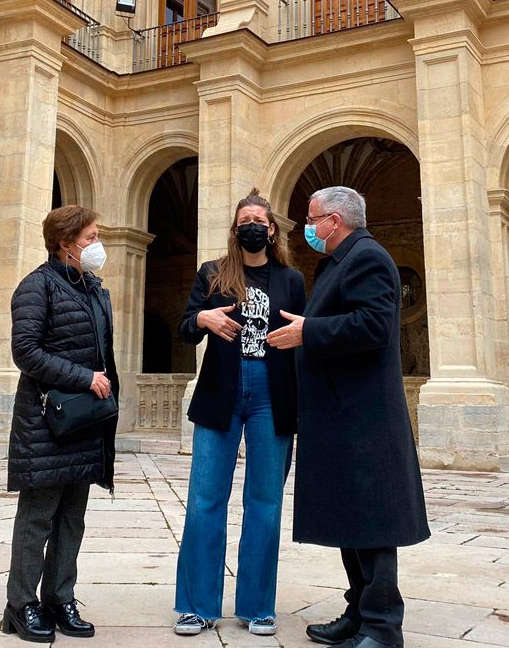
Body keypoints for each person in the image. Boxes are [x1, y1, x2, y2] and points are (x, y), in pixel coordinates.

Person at [267, 186, 430, 648]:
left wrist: (307, 331)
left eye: (313, 218)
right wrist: (308, 330)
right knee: (349, 518)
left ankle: (382, 627)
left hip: (364, 417)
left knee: (374, 522)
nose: (309, 227)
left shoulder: (369, 257)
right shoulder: (338, 261)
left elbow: (375, 326)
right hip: (339, 415)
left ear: (335, 221)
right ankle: (357, 613)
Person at [173, 189, 306, 637]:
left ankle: (257, 606)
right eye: (244, 219)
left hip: (273, 392)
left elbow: (303, 338)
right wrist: (203, 320)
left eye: (259, 220)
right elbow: (185, 328)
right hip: (221, 391)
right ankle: (197, 605)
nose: (252, 225)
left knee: (265, 503)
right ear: (235, 230)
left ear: (271, 230)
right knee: (204, 499)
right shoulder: (213, 273)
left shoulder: (291, 279)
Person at [3, 205, 119, 643]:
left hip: (85, 421)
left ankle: (59, 598)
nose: (97, 245)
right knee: (38, 518)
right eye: (90, 237)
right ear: (65, 243)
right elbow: (26, 351)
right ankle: (21, 604)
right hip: (47, 421)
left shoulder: (94, 289)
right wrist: (84, 378)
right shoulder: (37, 286)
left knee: (72, 517)